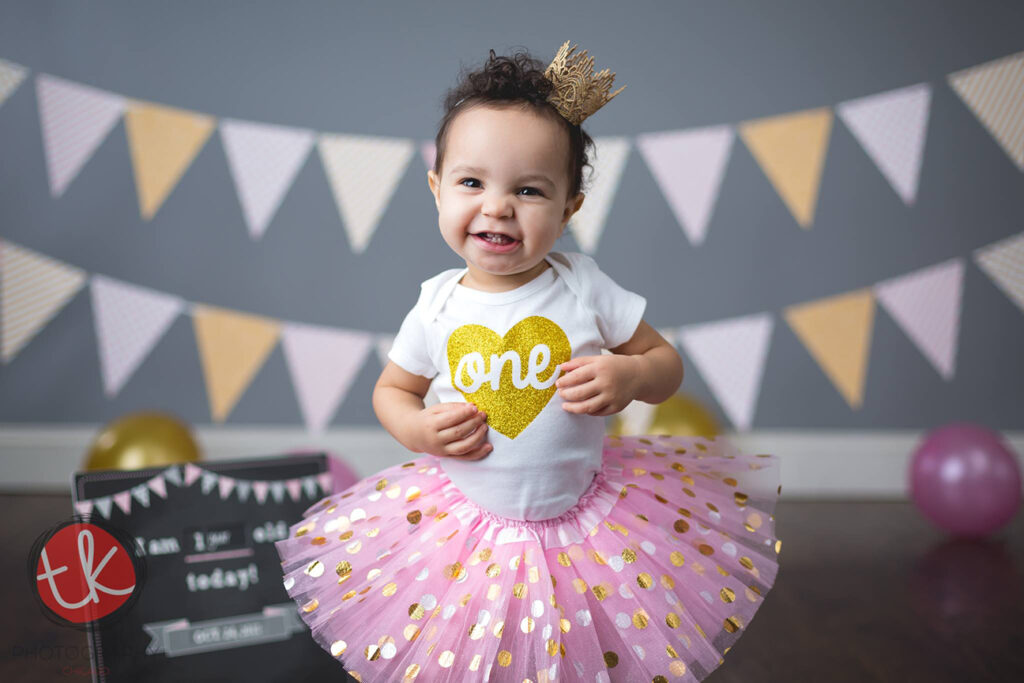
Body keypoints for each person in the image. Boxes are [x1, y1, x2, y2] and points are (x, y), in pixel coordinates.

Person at [276, 42, 781, 682]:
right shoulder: (436, 306)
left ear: (569, 206)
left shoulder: (583, 288)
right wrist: (415, 429)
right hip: (464, 528)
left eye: (529, 189)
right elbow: (392, 390)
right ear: (436, 189)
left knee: (581, 647)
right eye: (471, 182)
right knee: (475, 649)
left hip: (590, 527)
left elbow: (665, 362)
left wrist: (632, 376)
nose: (497, 206)